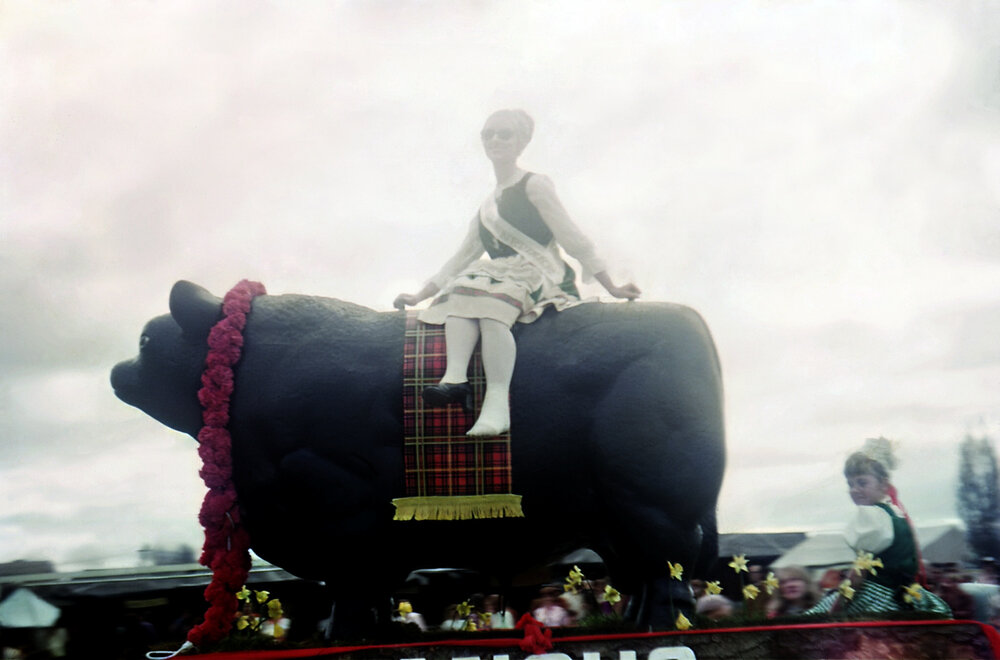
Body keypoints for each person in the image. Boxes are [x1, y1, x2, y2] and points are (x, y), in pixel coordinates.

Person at [394, 109, 641, 437]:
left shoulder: (534, 185)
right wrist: (419, 295)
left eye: (504, 134)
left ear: (522, 141)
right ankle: (454, 379)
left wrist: (611, 285)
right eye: (488, 134)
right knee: (460, 290)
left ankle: (497, 405)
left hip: (540, 271)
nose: (495, 140)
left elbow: (571, 236)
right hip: (497, 275)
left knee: (491, 304)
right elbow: (460, 258)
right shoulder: (485, 207)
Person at [806, 438, 951, 616]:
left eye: (862, 483)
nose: (854, 490)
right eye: (850, 484)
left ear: (883, 484)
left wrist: (836, 609)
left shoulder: (871, 516)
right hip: (904, 595)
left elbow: (858, 573)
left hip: (877, 597)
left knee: (814, 619)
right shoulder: (896, 513)